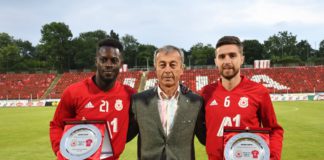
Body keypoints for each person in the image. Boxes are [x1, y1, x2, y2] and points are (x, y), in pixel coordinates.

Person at [49, 39, 136, 160]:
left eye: (114, 60)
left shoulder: (129, 95)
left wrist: (118, 143)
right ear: (96, 61)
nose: (108, 64)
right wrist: (61, 151)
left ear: (121, 64)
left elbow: (135, 124)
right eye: (103, 59)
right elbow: (57, 125)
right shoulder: (74, 92)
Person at [200, 36, 284, 160]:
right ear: (216, 61)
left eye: (232, 55)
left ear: (242, 59)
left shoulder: (259, 91)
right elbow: (202, 131)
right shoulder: (206, 93)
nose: (227, 61)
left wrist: (272, 157)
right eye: (221, 57)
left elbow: (275, 130)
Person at [127, 45, 206, 160]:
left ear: (182, 69)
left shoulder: (196, 102)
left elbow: (206, 139)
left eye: (173, 65)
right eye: (162, 65)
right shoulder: (138, 102)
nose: (167, 70)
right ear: (156, 68)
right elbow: (124, 137)